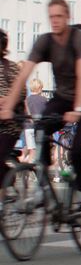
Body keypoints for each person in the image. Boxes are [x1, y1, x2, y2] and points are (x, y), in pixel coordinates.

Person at [0, 0, 81, 244]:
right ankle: (42, 188)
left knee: (78, 151)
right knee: (41, 129)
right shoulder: (45, 41)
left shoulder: (78, 40)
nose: (55, 21)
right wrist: (8, 104)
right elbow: (24, 72)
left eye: (60, 16)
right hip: (63, 97)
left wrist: (79, 109)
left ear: (67, 17)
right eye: (52, 17)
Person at [0, 29, 26, 187]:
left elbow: (21, 91)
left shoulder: (10, 67)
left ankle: (8, 177)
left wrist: (6, 100)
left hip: (10, 125)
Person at [21, 78, 47, 163]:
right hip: (37, 127)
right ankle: (31, 169)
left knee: (31, 149)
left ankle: (23, 168)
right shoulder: (43, 99)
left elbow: (25, 113)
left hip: (28, 127)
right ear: (39, 88)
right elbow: (45, 114)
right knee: (36, 151)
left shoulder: (27, 100)